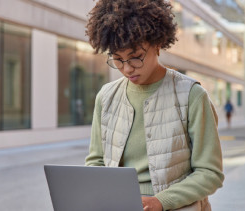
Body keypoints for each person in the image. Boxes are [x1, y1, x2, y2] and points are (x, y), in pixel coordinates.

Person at [85, 0, 224, 210]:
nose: (127, 68)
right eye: (118, 59)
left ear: (157, 44)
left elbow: (210, 173)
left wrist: (161, 201)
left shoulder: (192, 96)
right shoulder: (106, 96)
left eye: (136, 57)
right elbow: (96, 163)